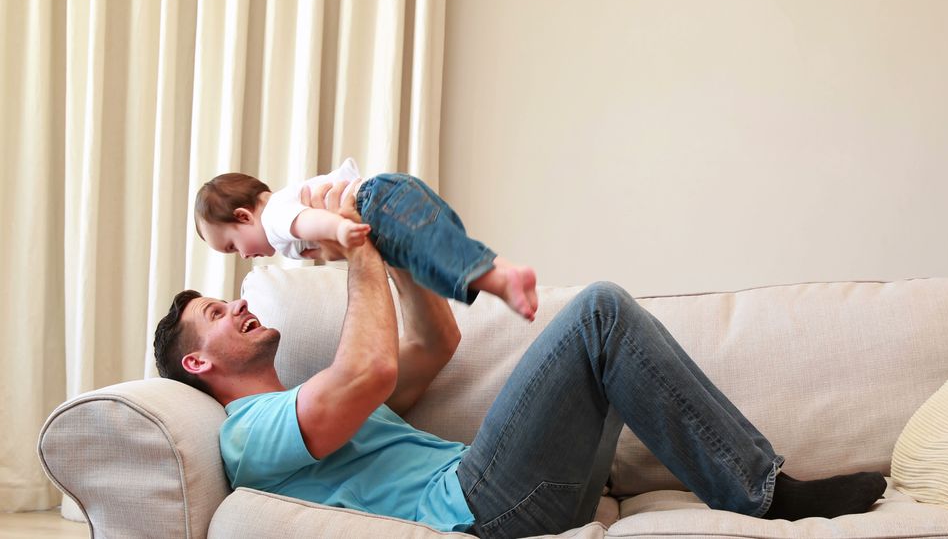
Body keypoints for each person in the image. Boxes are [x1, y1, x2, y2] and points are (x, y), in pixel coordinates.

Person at [155, 186, 887, 539]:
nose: (238, 306)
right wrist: (355, 250)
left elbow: (435, 344)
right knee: (600, 313)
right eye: (216, 315)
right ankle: (761, 494)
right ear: (196, 362)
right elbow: (370, 370)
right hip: (481, 506)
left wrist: (386, 243)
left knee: (604, 330)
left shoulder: (314, 402)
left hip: (512, 491)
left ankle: (751, 483)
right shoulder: (247, 432)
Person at [193, 157, 538, 320]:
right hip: (390, 192)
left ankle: (501, 282)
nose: (241, 255)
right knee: (444, 246)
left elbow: (308, 221)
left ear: (243, 216)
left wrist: (339, 230)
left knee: (432, 259)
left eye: (232, 246)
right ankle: (505, 270)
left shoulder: (272, 218)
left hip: (376, 205)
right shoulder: (282, 204)